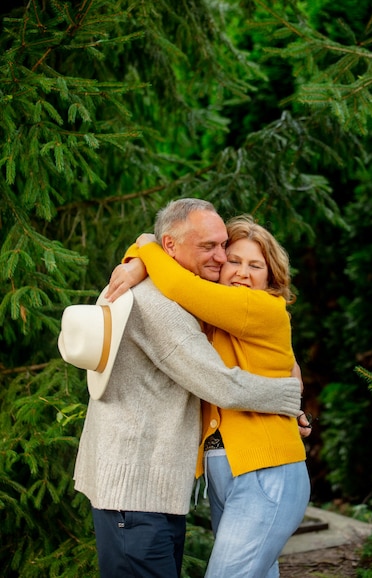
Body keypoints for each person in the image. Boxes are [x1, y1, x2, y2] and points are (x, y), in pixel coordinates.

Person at [73, 198, 304, 578]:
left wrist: (140, 257)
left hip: (160, 488)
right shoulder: (162, 305)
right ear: (170, 248)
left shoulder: (205, 303)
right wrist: (287, 399)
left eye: (222, 246)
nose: (221, 258)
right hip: (136, 489)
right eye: (211, 248)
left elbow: (278, 356)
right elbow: (220, 384)